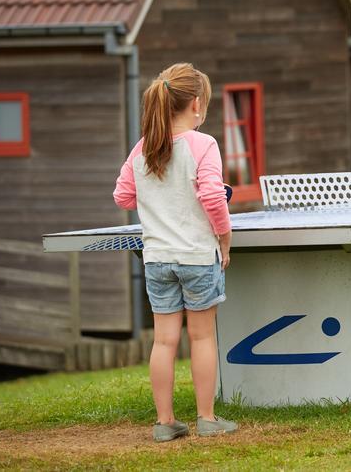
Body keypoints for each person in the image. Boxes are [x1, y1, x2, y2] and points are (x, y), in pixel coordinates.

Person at [113, 63, 239, 441]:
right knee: (201, 337)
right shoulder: (205, 145)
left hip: (157, 259)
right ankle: (206, 418)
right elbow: (213, 196)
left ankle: (165, 422)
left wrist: (158, 196)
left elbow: (123, 196)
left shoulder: (143, 148)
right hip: (198, 256)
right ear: (196, 104)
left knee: (164, 340)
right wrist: (224, 236)